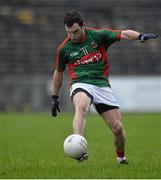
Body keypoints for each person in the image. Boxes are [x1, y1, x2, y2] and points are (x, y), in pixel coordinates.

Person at [51, 10, 157, 164]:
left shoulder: (98, 36)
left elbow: (123, 34)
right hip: (80, 83)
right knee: (81, 107)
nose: (72, 36)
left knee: (118, 129)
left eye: (75, 31)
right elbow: (58, 72)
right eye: (69, 32)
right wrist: (55, 97)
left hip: (102, 85)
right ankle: (79, 150)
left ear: (83, 26)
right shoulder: (64, 49)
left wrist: (139, 36)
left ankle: (121, 158)